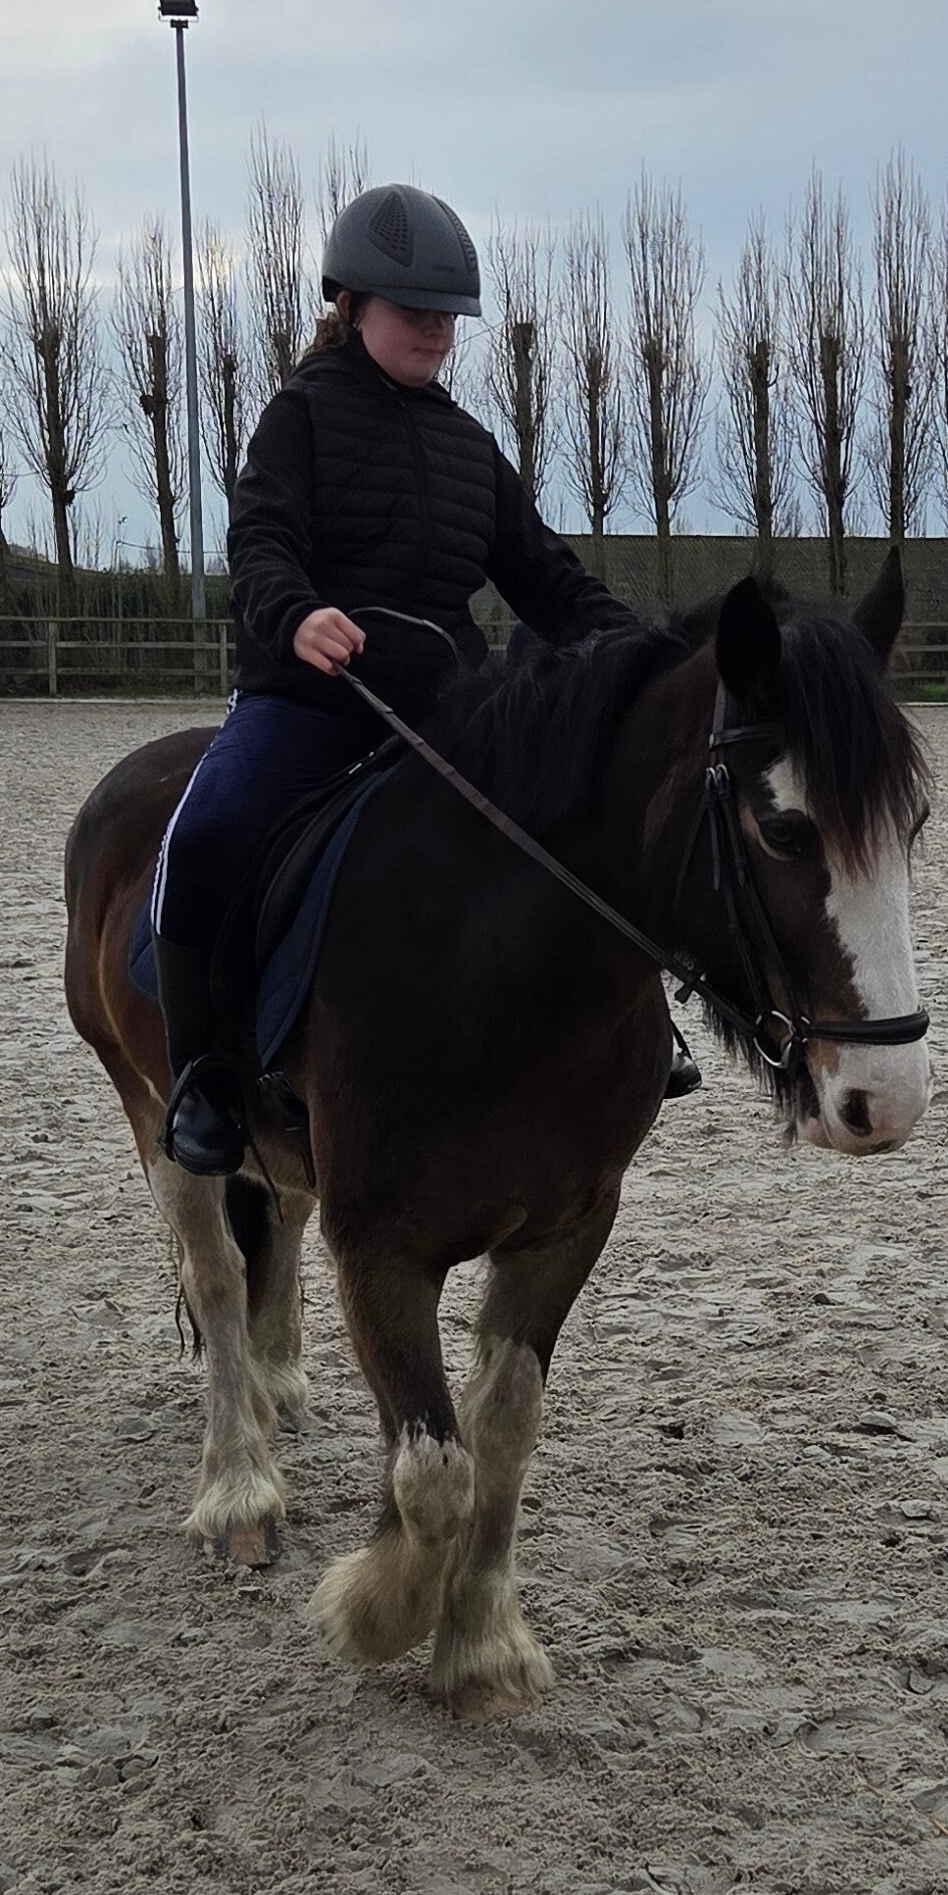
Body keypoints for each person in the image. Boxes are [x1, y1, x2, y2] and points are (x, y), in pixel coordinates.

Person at [153, 179, 699, 1171]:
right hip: (312, 702)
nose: (438, 330)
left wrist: (650, 654)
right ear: (351, 303)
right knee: (207, 832)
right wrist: (296, 614)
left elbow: (548, 579)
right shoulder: (298, 418)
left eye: (449, 314)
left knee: (579, 816)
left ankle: (628, 1033)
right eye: (415, 310)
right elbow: (261, 540)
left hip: (447, 712)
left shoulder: (469, 447)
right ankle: (205, 1071)